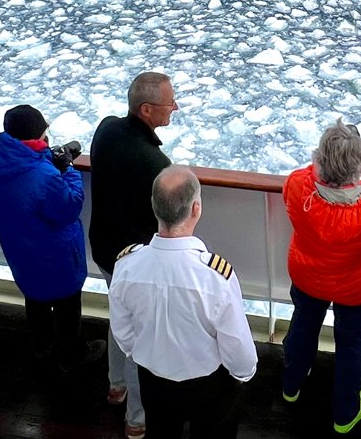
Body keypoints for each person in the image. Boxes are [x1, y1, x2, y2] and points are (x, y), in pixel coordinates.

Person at [109, 166, 257, 439]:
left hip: (153, 381)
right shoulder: (215, 276)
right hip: (208, 386)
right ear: (196, 209)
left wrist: (148, 355)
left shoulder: (127, 266)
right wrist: (242, 375)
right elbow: (238, 348)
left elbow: (123, 333)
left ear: (154, 208)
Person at [281, 119, 361, 434]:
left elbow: (309, 174)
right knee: (350, 344)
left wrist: (331, 157)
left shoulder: (298, 186)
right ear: (358, 163)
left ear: (319, 157)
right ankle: (345, 414)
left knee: (303, 327)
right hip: (356, 287)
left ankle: (291, 385)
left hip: (308, 277)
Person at [0, 104, 105, 371]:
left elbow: (25, 174)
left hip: (20, 247)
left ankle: (41, 344)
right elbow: (69, 206)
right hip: (54, 252)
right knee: (68, 302)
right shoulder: (43, 176)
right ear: (37, 138)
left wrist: (48, 159)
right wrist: (68, 169)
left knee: (34, 295)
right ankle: (72, 354)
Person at [89, 71, 176, 437]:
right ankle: (137, 419)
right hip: (137, 261)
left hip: (106, 250)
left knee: (119, 316)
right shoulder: (156, 165)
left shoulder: (106, 128)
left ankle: (115, 384)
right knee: (141, 336)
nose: (175, 107)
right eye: (169, 103)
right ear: (146, 110)